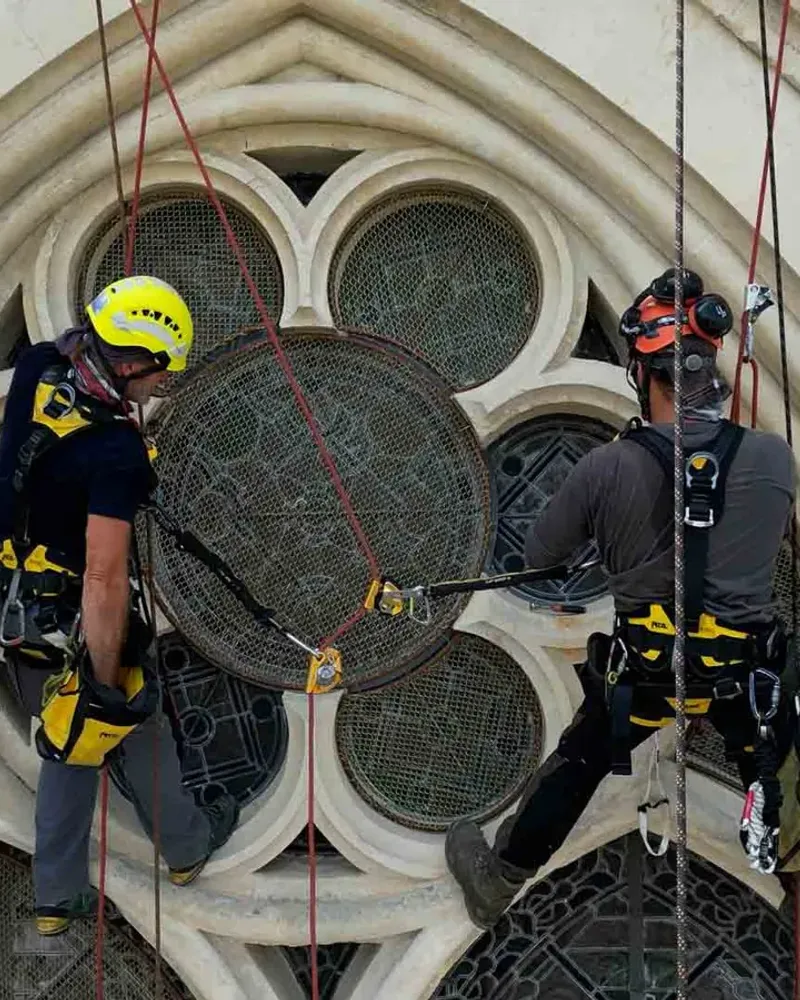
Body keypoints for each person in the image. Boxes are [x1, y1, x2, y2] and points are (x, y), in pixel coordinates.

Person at [446, 268, 797, 929]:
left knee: (580, 760)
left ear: (643, 372)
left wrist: (609, 501)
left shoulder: (609, 467)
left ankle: (499, 879)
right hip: (741, 678)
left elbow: (539, 559)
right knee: (774, 765)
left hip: (647, 676)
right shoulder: (774, 458)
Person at [0, 275, 240, 936]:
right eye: (160, 372)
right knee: (119, 718)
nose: (162, 385)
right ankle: (185, 849)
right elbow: (105, 575)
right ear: (131, 363)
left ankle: (58, 896)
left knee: (70, 734)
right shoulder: (115, 453)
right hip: (70, 613)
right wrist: (106, 674)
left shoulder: (37, 366)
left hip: (14, 599)